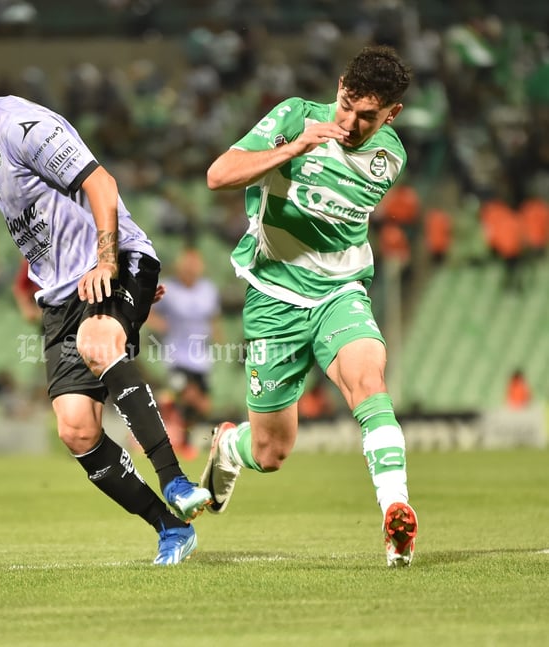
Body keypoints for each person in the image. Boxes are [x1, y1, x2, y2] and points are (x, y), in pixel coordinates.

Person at [0, 41, 211, 565]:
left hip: (108, 264)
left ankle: (176, 480)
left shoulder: (21, 127)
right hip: (63, 295)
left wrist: (111, 263)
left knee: (99, 341)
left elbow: (100, 183)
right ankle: (170, 528)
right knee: (76, 428)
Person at [200, 45, 419, 567]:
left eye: (369, 116)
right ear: (339, 85)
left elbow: (330, 220)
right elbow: (218, 175)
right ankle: (229, 448)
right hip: (274, 298)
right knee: (272, 452)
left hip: (340, 293)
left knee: (369, 381)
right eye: (346, 105)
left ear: (393, 115)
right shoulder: (297, 116)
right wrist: (293, 148)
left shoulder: (391, 158)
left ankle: (396, 513)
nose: (351, 121)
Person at [146, 246, 222, 459]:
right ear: (179, 266)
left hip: (201, 359)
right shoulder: (168, 288)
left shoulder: (208, 290)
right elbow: (148, 311)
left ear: (201, 267)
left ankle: (170, 415)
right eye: (187, 264)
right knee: (189, 395)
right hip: (176, 356)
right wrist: (159, 324)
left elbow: (213, 318)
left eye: (194, 264)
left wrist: (219, 337)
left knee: (203, 406)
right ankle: (176, 439)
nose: (190, 268)